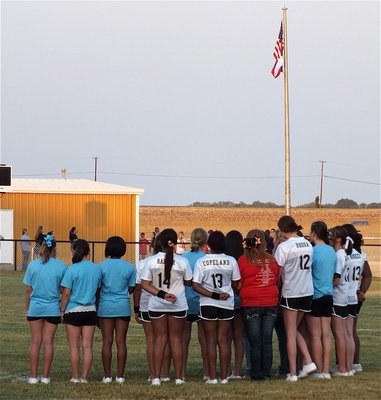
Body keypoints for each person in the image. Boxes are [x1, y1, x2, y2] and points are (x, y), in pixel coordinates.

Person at [141, 228, 192, 386]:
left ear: (159, 242)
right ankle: (178, 378)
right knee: (176, 340)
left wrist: (162, 294)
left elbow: (145, 284)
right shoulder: (183, 261)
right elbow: (189, 282)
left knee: (159, 340)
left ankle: (156, 377)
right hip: (178, 304)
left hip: (157, 304)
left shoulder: (151, 261)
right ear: (175, 243)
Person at [193, 231, 241, 384]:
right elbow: (235, 283)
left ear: (209, 245)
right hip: (226, 303)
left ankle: (212, 377)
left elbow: (196, 285)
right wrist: (222, 293)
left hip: (208, 303)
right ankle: (224, 377)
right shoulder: (231, 260)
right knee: (223, 340)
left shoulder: (202, 261)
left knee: (211, 340)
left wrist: (213, 295)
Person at [274, 215, 316, 382]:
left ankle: (292, 373)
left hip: (292, 291)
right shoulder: (307, 243)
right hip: (307, 290)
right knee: (295, 329)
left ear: (282, 230)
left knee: (290, 332)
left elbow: (277, 272)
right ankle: (308, 361)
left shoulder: (284, 247)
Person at [23, 234, 67, 384]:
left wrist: (27, 309)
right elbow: (63, 289)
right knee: (48, 342)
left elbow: (28, 290)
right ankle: (46, 377)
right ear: (54, 248)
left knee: (35, 342)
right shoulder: (61, 266)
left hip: (35, 307)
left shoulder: (32, 265)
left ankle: (33, 377)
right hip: (53, 308)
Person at [238, 230, 280, 381]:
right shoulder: (272, 259)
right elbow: (277, 278)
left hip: (251, 303)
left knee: (254, 341)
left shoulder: (243, 260)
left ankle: (255, 373)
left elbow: (238, 282)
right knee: (267, 340)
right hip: (270, 302)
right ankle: (266, 373)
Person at [60, 239, 101, 383]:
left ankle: (75, 377)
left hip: (73, 310)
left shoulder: (71, 269)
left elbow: (66, 292)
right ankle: (84, 377)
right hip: (90, 310)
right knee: (88, 346)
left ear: (74, 251)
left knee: (74, 347)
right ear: (88, 252)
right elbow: (98, 290)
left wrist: (62, 310)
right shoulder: (96, 268)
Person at [97, 236, 136, 384]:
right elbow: (131, 288)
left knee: (107, 341)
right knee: (121, 341)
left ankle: (107, 376)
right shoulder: (129, 267)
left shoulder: (100, 267)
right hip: (123, 306)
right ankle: (120, 376)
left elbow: (98, 289)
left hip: (105, 306)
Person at [306, 221, 336, 379]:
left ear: (314, 233)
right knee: (326, 335)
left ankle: (318, 370)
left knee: (315, 336)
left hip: (316, 295)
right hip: (329, 295)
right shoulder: (332, 251)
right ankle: (325, 370)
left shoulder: (313, 251)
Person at [181, 228, 209, 381]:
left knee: (183, 341)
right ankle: (207, 372)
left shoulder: (183, 258)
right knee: (204, 340)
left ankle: (182, 373)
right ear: (205, 241)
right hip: (201, 302)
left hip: (185, 303)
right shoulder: (206, 258)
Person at [329, 226, 352, 377]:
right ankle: (347, 368)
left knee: (339, 334)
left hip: (338, 297)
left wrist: (325, 284)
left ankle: (343, 368)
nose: (329, 238)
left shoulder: (339, 255)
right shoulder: (346, 254)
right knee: (343, 334)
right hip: (344, 297)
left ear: (339, 239)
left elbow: (336, 280)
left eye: (331, 236)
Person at [224, 230, 245, 379]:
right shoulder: (243, 259)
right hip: (240, 300)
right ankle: (237, 372)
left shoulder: (226, 259)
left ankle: (227, 371)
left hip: (225, 301)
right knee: (239, 338)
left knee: (226, 338)